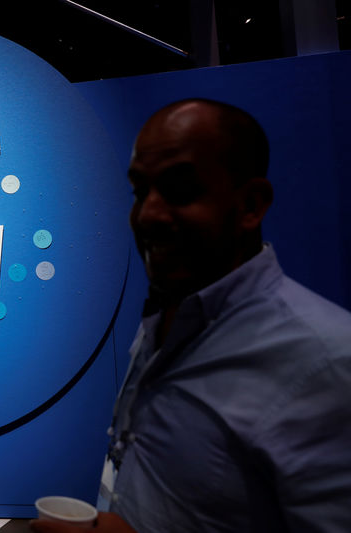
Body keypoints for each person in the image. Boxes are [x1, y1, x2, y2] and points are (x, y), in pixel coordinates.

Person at [32, 99, 351, 532]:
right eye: (140, 191)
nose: (148, 214)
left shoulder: (328, 365)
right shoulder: (170, 315)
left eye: (181, 189)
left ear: (251, 205)